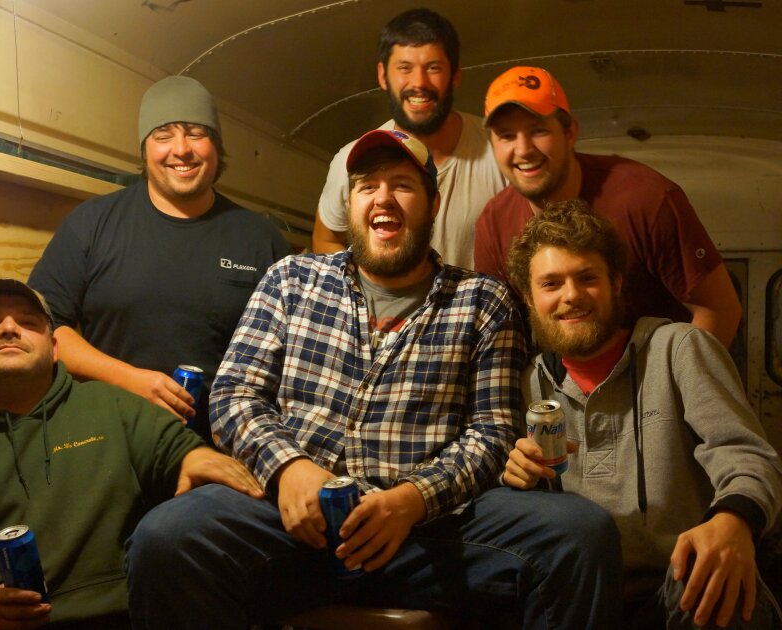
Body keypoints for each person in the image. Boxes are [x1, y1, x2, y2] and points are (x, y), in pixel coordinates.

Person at [126, 130, 623, 629]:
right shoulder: (290, 279)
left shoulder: (482, 301)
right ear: (350, 203)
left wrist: (414, 499)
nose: (383, 197)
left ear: (433, 203)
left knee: (580, 534)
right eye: (367, 186)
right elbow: (236, 394)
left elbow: (492, 432)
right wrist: (290, 468)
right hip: (288, 521)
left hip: (430, 533)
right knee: (166, 537)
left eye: (402, 185)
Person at [0, 279, 263, 629]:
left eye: (29, 323)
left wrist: (197, 460)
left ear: (55, 350)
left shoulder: (112, 406)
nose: (9, 328)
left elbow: (181, 452)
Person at [503, 200, 782, 629]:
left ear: (616, 284)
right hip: (587, 596)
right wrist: (516, 482)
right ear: (530, 298)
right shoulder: (528, 384)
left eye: (587, 278)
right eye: (551, 283)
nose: (571, 295)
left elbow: (746, 455)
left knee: (707, 581)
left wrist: (734, 519)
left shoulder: (679, 348)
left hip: (683, 584)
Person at [28, 75, 289, 440]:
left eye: (197, 133)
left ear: (216, 145)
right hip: (107, 438)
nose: (181, 150)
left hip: (219, 449)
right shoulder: (92, 224)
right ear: (144, 148)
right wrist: (132, 380)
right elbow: (45, 328)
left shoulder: (261, 241)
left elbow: (290, 359)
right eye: (163, 135)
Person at [473, 65, 741, 347]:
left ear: (570, 132)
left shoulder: (646, 199)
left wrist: (670, 386)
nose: (524, 149)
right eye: (506, 136)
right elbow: (503, 336)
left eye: (538, 130)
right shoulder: (494, 225)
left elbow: (720, 311)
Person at [311, 8, 505, 269]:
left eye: (433, 68)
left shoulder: (499, 148)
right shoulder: (351, 159)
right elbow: (325, 240)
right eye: (404, 68)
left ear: (455, 75)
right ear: (383, 76)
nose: (419, 83)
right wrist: (368, 298)